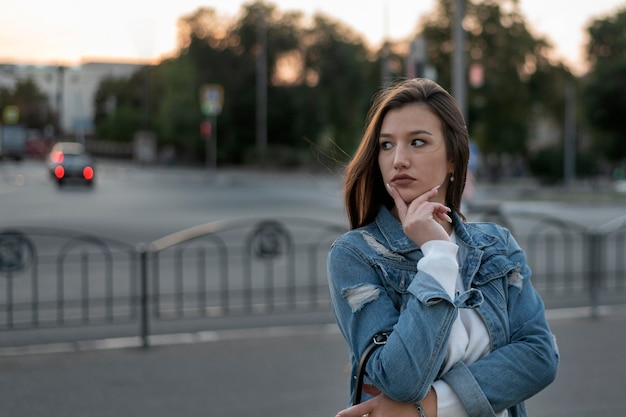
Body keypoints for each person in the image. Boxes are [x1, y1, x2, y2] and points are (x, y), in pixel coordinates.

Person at [327, 78, 559, 417]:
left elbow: (539, 357)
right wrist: (437, 257)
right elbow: (400, 379)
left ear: (453, 157)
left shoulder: (496, 245)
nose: (399, 160)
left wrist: (429, 407)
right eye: (387, 145)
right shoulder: (357, 254)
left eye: (418, 142)